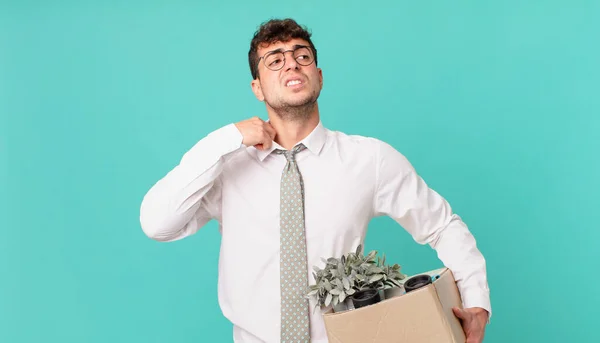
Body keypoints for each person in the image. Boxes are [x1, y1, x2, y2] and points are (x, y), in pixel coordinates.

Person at [139, 18, 491, 343]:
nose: (291, 63)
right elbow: (157, 224)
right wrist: (225, 139)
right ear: (257, 88)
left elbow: (442, 225)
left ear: (319, 75)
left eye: (301, 56)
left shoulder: (369, 159)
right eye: (274, 59)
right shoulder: (227, 167)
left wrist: (476, 299)